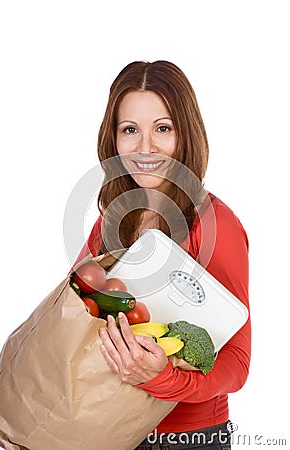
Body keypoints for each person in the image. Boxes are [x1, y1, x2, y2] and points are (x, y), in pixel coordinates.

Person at [75, 60, 251, 450]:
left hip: (188, 439)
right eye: (130, 130)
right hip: (109, 431)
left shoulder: (215, 224)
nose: (145, 148)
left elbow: (237, 365)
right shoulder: (109, 222)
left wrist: (160, 378)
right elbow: (75, 320)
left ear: (184, 134)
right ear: (113, 140)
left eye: (163, 129)